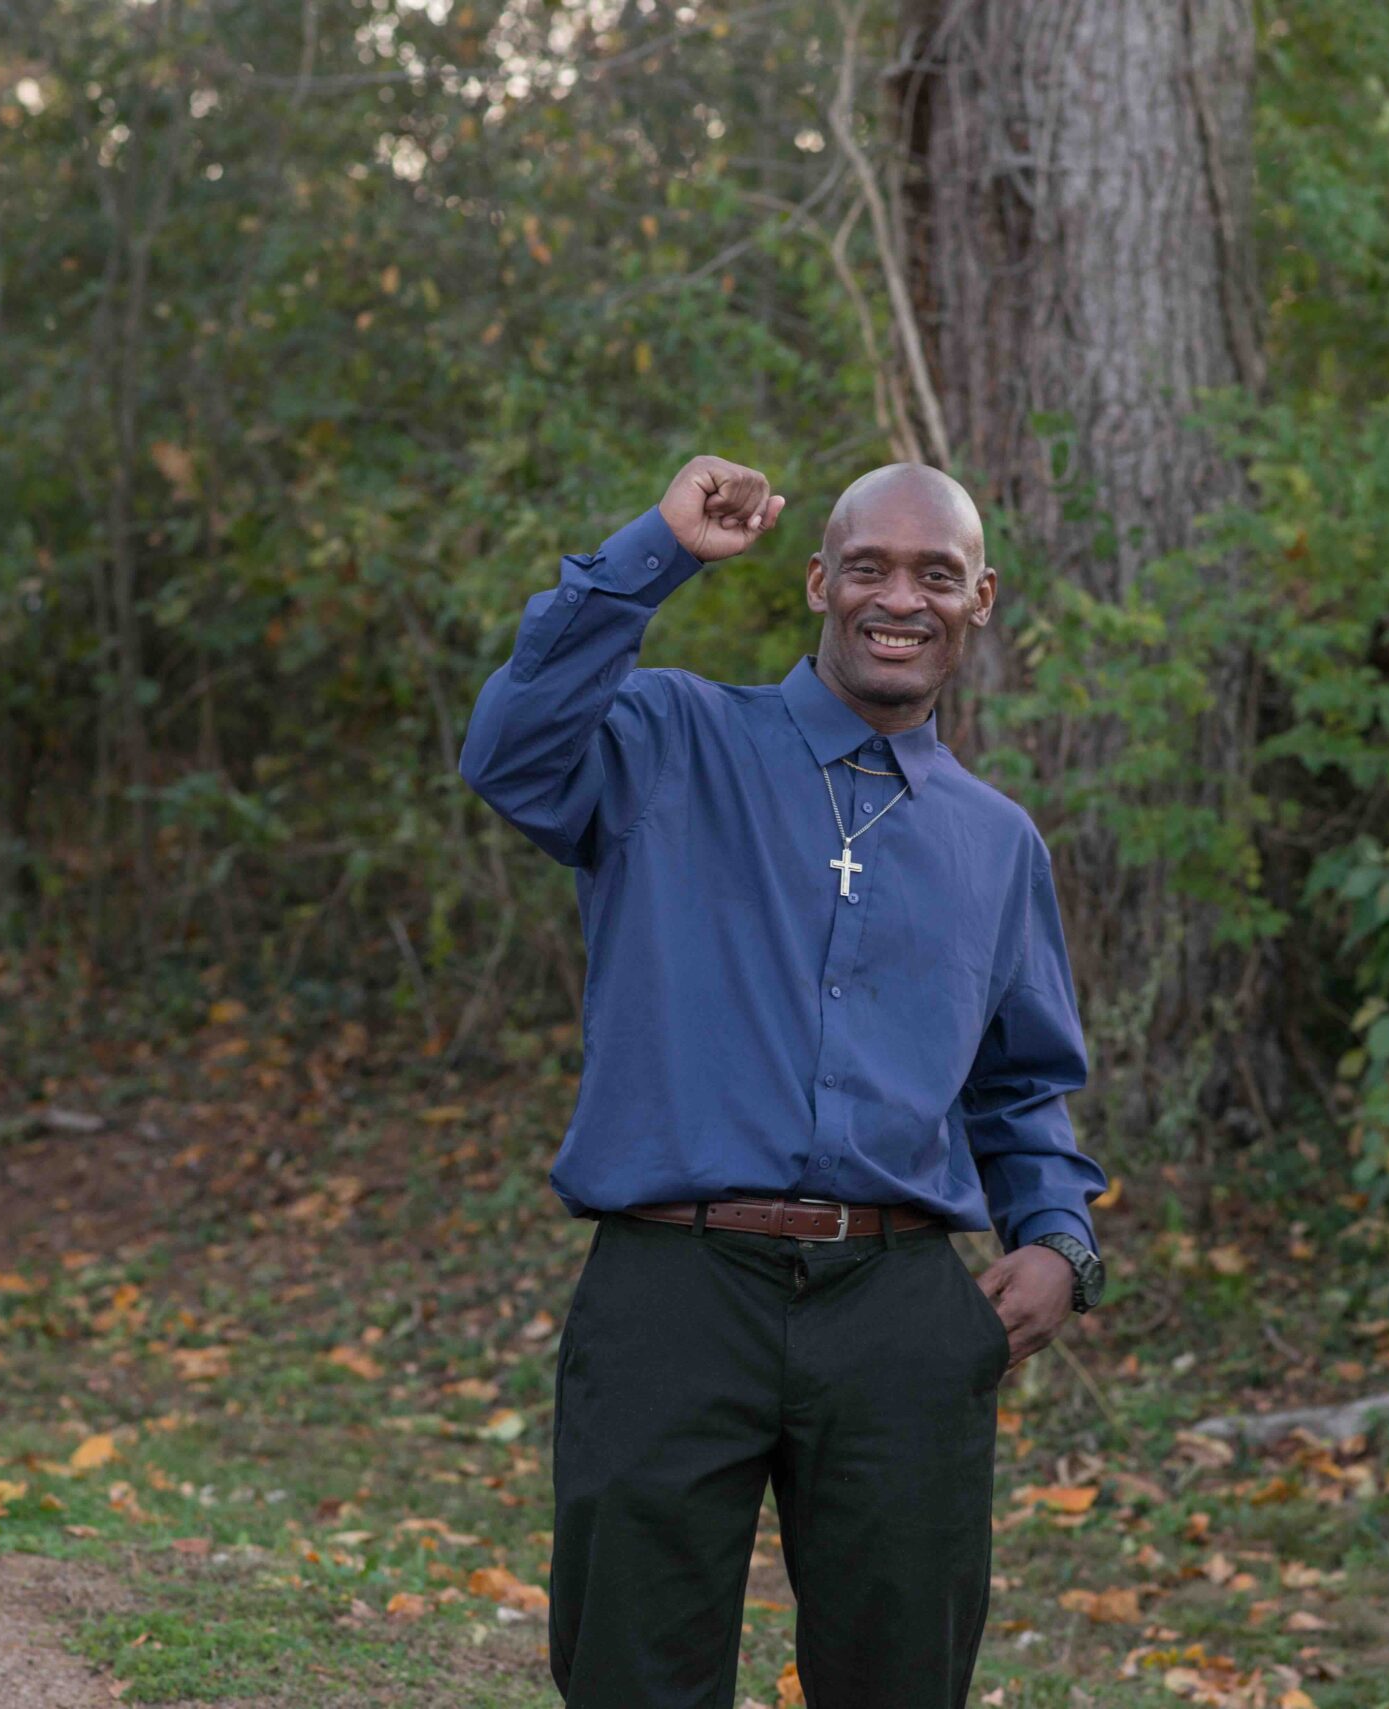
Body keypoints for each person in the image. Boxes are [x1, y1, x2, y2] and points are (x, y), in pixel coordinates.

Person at [459, 454, 1110, 1709]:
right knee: (633, 1673)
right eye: (867, 565)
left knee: (901, 1675)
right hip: (672, 1289)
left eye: (936, 573)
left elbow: (1020, 1084)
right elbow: (511, 749)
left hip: (902, 1312)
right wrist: (652, 553)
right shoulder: (670, 739)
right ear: (819, 580)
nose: (898, 598)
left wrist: (1059, 1237)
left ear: (982, 599)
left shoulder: (995, 842)